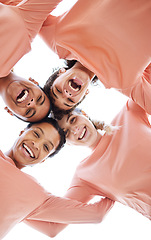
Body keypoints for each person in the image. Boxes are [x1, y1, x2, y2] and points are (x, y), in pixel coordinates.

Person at [21, 100, 151, 237]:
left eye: (73, 120)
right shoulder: (84, 175)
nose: (75, 130)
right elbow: (53, 227)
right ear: (68, 144)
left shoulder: (127, 114)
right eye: (66, 133)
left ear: (84, 114)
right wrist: (16, 207)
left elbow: (142, 83)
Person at [0, 115, 114, 240]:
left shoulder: (35, 195)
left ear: (43, 159)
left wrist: (114, 179)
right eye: (36, 134)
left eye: (46, 147)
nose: (36, 145)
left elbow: (96, 214)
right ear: (21, 132)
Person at [39, 0, 151, 115]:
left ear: (60, 73)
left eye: (58, 90)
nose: (67, 94)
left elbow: (23, 10)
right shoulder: (121, 81)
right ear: (86, 93)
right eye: (70, 101)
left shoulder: (58, 41)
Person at [0, 0, 64, 122]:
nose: (31, 103)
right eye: (39, 99)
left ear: (9, 111)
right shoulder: (25, 35)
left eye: (29, 112)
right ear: (33, 81)